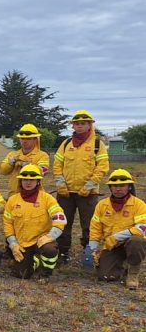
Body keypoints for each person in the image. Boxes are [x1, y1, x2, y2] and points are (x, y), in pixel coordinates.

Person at [54, 110, 110, 265]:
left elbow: (102, 167)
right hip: (66, 193)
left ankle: (88, 253)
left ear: (90, 125)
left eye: (83, 123)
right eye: (77, 123)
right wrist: (60, 183)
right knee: (63, 224)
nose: (79, 126)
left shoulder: (98, 145)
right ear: (73, 125)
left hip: (89, 194)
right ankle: (63, 253)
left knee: (89, 225)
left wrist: (90, 185)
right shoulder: (66, 144)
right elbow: (58, 165)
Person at [3, 165, 66, 280]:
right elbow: (8, 224)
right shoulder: (12, 200)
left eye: (32, 179)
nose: (28, 182)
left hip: (41, 241)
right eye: (25, 179)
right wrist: (13, 244)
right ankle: (35, 260)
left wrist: (50, 237)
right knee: (21, 275)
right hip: (22, 243)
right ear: (20, 181)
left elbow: (60, 219)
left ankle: (45, 272)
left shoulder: (47, 199)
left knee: (49, 249)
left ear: (38, 181)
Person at [88, 169, 146, 289]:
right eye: (114, 186)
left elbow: (142, 228)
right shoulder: (102, 205)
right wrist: (92, 249)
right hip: (112, 247)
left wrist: (116, 237)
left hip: (130, 243)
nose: (118, 189)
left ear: (129, 187)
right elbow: (95, 227)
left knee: (136, 241)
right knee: (105, 276)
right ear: (110, 187)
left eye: (122, 186)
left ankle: (133, 274)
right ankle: (122, 264)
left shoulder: (139, 205)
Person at [0, 123, 51, 195]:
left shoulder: (42, 155)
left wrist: (27, 166)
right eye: (22, 138)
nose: (24, 141)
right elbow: (3, 171)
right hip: (14, 194)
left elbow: (44, 170)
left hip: (34, 195)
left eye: (28, 139)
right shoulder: (12, 154)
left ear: (35, 139)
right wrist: (10, 163)